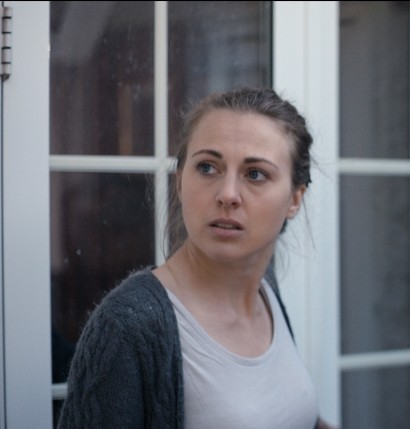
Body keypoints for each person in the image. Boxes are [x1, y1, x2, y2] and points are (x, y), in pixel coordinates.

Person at [58, 87, 334, 429]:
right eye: (207, 167)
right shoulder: (127, 327)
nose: (227, 195)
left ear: (294, 199)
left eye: (255, 174)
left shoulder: (266, 287)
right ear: (179, 183)